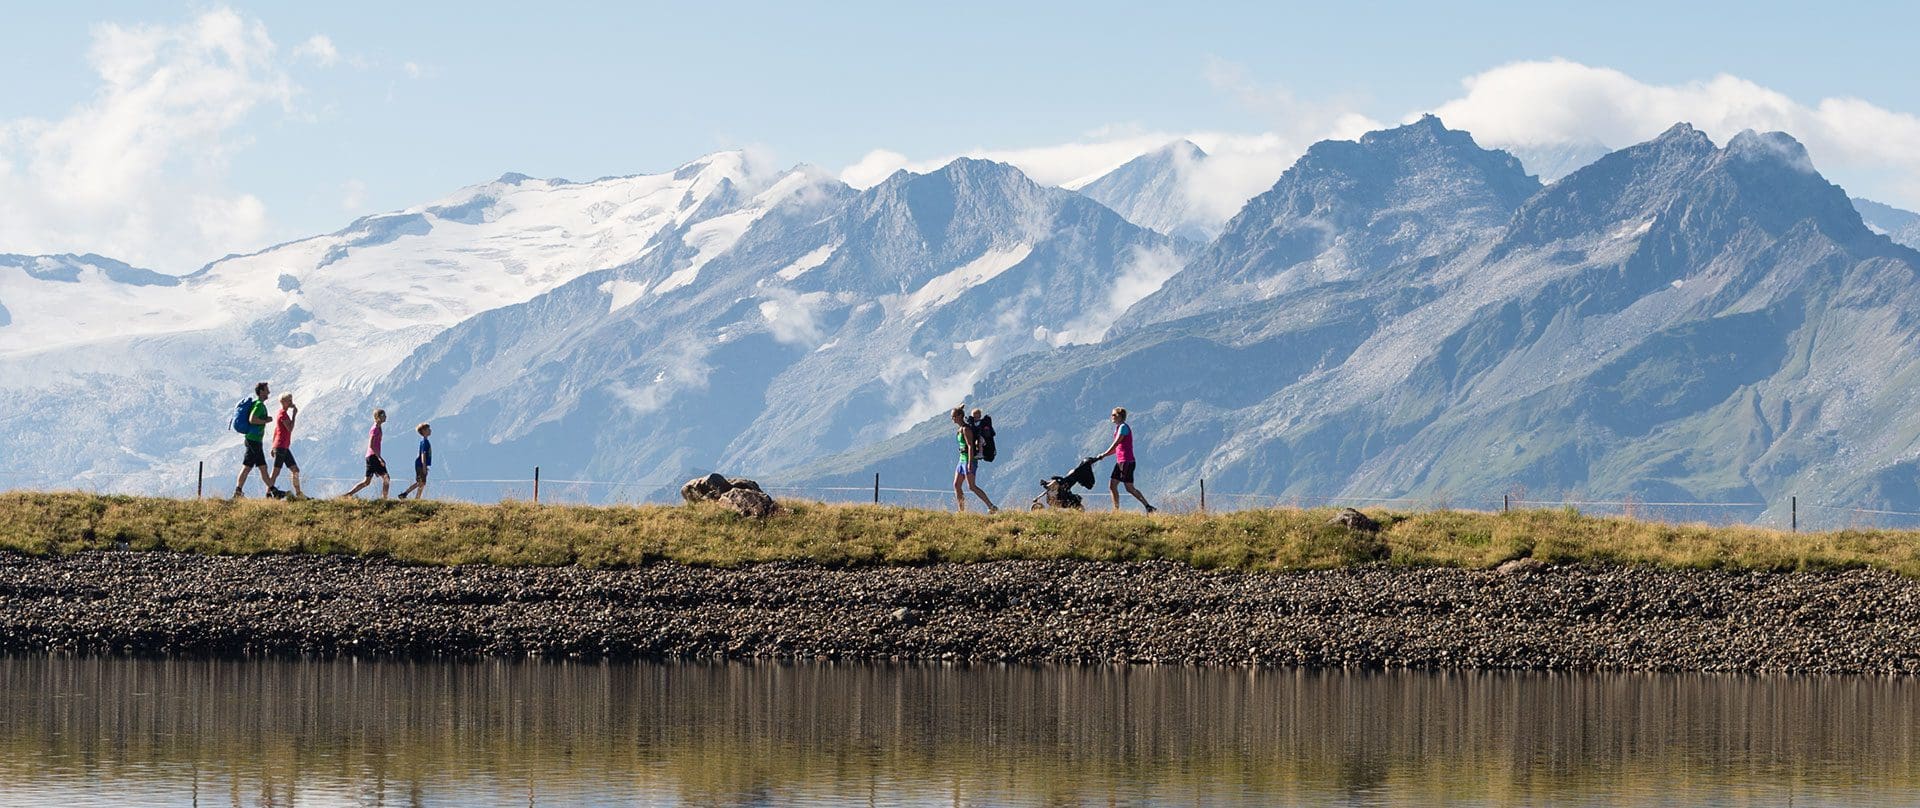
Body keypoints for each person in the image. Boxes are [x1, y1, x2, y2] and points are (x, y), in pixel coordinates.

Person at [1095, 407, 1156, 513]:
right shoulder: (1118, 428)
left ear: (1120, 416)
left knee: (1129, 488)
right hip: (1120, 462)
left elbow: (1116, 443)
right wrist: (1103, 456)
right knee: (1112, 485)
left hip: (1127, 461)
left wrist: (1104, 454)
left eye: (1114, 415)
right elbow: (1117, 449)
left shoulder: (1123, 427)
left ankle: (1148, 507)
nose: (1112, 417)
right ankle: (1116, 510)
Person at [950, 407, 998, 513]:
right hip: (961, 460)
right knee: (956, 485)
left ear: (959, 416)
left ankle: (991, 506)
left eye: (953, 416)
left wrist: (970, 463)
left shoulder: (966, 429)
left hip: (968, 460)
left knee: (972, 486)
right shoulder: (960, 429)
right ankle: (961, 511)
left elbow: (970, 446)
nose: (952, 418)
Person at [233, 382, 272, 498]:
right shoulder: (259, 405)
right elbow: (252, 419)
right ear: (261, 391)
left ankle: (273, 492)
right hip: (253, 440)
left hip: (256, 441)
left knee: (263, 467)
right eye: (266, 390)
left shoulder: (258, 404)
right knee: (247, 467)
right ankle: (237, 492)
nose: (268, 392)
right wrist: (266, 420)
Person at [342, 408, 390, 499]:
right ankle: (384, 499)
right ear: (377, 417)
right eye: (383, 415)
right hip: (373, 457)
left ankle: (348, 495)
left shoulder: (378, 427)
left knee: (367, 482)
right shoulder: (375, 429)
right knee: (386, 478)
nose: (385, 417)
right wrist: (379, 458)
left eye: (385, 415)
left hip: (371, 457)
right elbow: (371, 445)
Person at [265, 393, 305, 500]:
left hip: (283, 446)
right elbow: (290, 428)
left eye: (291, 400)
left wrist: (273, 445)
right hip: (281, 447)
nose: (291, 402)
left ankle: (298, 493)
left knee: (295, 470)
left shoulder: (282, 414)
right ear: (283, 402)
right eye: (289, 400)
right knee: (276, 472)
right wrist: (294, 415)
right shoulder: (283, 414)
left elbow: (276, 430)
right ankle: (268, 493)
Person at [398, 423, 432, 500]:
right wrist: (424, 466)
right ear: (424, 431)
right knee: (421, 482)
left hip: (421, 464)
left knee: (421, 483)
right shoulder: (425, 442)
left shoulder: (425, 441)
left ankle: (415, 497)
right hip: (420, 465)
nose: (430, 430)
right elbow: (423, 455)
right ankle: (407, 494)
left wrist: (425, 466)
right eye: (428, 429)